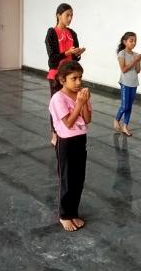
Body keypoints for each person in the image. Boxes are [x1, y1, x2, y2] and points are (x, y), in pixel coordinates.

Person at [49, 60, 92, 231]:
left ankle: (73, 212)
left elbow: (87, 119)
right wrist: (80, 103)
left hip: (80, 140)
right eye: (74, 78)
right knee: (67, 179)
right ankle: (64, 215)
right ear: (62, 80)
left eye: (80, 78)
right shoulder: (58, 98)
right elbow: (68, 123)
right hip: (66, 142)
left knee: (78, 179)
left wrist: (84, 102)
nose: (78, 82)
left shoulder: (81, 94)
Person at [45, 3, 86, 146]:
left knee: (72, 102)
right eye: (67, 15)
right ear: (58, 15)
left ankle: (71, 127)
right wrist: (67, 53)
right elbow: (52, 58)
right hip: (57, 74)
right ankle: (55, 133)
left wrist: (77, 54)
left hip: (71, 75)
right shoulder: (52, 32)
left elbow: (74, 59)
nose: (70, 18)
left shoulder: (72, 33)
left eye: (71, 15)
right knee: (57, 104)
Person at [113, 32, 141, 136]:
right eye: (131, 41)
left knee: (129, 106)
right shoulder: (122, 53)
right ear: (125, 42)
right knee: (124, 106)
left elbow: (138, 70)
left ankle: (125, 126)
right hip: (125, 83)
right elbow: (124, 69)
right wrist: (135, 61)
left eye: (135, 41)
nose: (133, 43)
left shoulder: (135, 54)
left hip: (134, 83)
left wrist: (139, 61)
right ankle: (117, 119)